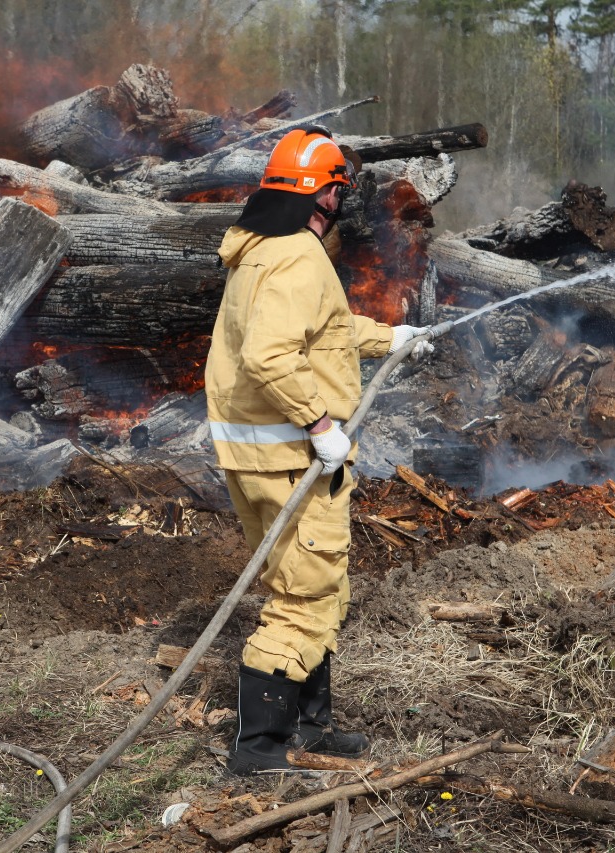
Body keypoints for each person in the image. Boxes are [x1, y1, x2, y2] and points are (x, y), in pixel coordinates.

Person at [204, 127, 434, 776]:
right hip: (293, 457)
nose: (343, 199)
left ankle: (311, 724)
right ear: (323, 194)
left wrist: (391, 340)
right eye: (339, 187)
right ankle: (260, 751)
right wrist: (320, 424)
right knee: (302, 599)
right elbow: (271, 356)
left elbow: (322, 331)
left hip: (256, 455)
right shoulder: (298, 259)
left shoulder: (262, 251)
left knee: (309, 582)